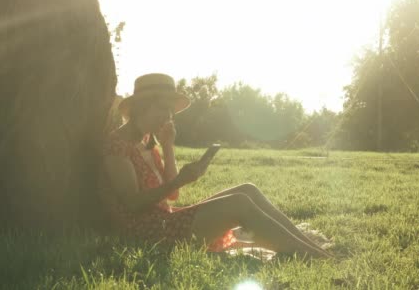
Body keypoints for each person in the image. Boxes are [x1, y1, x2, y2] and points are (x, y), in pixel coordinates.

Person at [100, 73, 330, 258]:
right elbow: (131, 203)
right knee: (238, 203)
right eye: (164, 109)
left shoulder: (147, 144)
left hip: (164, 219)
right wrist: (181, 179)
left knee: (247, 189)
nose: (168, 117)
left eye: (171, 111)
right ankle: (314, 257)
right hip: (147, 232)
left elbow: (172, 195)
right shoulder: (117, 145)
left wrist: (168, 146)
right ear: (144, 107)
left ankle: (310, 247)